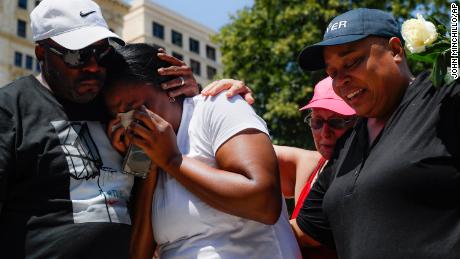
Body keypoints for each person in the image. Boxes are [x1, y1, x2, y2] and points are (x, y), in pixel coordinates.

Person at [0, 0, 199, 258]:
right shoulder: (11, 109)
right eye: (77, 55)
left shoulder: (114, 102)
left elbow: (141, 173)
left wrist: (195, 95)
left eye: (102, 52)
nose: (93, 66)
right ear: (41, 53)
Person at [103, 43, 301, 259]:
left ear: (168, 87)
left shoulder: (218, 105)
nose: (132, 122)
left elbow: (264, 203)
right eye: (121, 117)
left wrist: (172, 159)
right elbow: (137, 255)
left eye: (137, 108)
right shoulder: (140, 156)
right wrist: (149, 165)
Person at [292, 8, 460, 259]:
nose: (341, 81)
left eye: (351, 62)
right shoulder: (345, 148)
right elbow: (300, 232)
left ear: (395, 50)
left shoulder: (444, 98)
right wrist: (229, 113)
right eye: (332, 73)